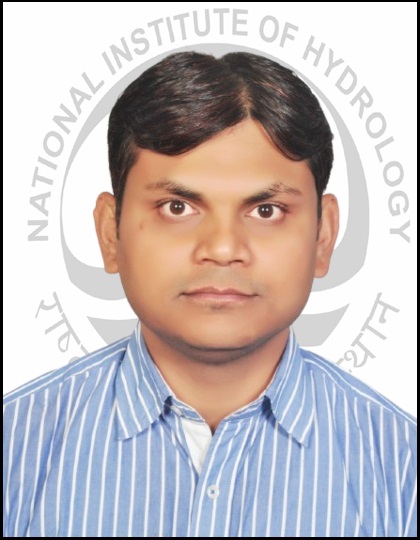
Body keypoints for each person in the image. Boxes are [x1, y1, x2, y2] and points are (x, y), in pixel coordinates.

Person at [3, 51, 416, 538]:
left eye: (266, 211)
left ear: (323, 237)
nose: (222, 249)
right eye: (177, 207)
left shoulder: (401, 466)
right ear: (110, 233)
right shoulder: (15, 448)